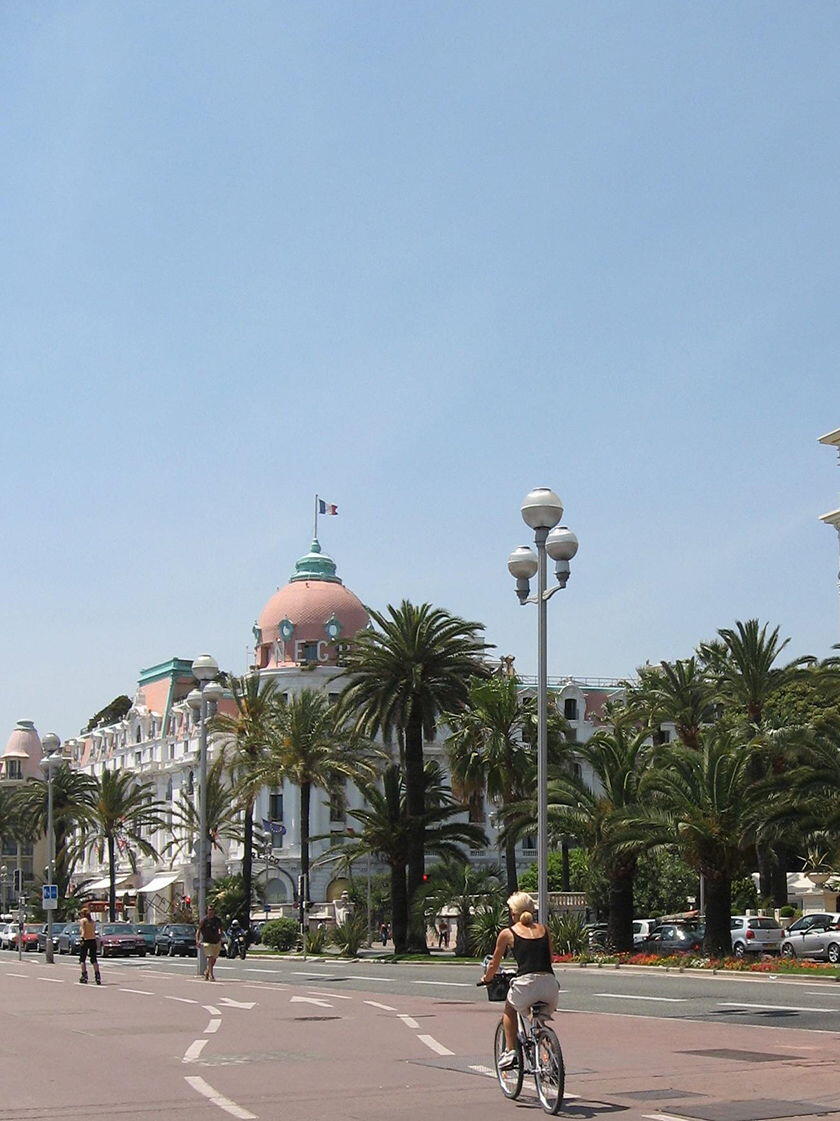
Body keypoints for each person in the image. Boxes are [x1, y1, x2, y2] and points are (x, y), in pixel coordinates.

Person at [481, 891, 560, 1070]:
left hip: (526, 984)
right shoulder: (544, 930)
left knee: (509, 1009)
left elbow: (494, 963)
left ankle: (510, 1052)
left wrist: (487, 978)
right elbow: (549, 959)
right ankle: (550, 1057)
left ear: (514, 913)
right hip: (550, 985)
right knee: (539, 1020)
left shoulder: (507, 933)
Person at [197, 905, 223, 981]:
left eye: (212, 909)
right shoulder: (204, 920)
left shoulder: (217, 920)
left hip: (216, 941)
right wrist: (197, 940)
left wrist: (220, 937)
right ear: (207, 911)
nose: (211, 911)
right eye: (210, 909)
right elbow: (198, 930)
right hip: (207, 942)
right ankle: (211, 975)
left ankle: (207, 971)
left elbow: (221, 929)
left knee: (214, 959)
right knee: (210, 958)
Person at [79, 907, 101, 985]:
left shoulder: (82, 921)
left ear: (82, 914)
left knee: (82, 959)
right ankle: (97, 976)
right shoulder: (92, 922)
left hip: (85, 940)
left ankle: (84, 976)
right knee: (94, 959)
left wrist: (82, 939)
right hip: (92, 940)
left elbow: (83, 930)